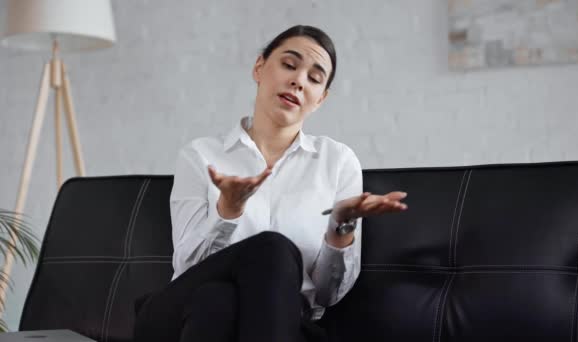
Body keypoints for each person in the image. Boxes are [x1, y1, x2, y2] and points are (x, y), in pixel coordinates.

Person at [133, 25, 408, 342]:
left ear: (321, 99)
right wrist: (228, 210)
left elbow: (328, 296)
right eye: (289, 65)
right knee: (271, 250)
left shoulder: (338, 162)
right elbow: (188, 266)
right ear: (259, 67)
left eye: (314, 78)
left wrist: (340, 228)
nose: (298, 81)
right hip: (174, 315)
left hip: (272, 320)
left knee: (218, 303)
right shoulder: (200, 156)